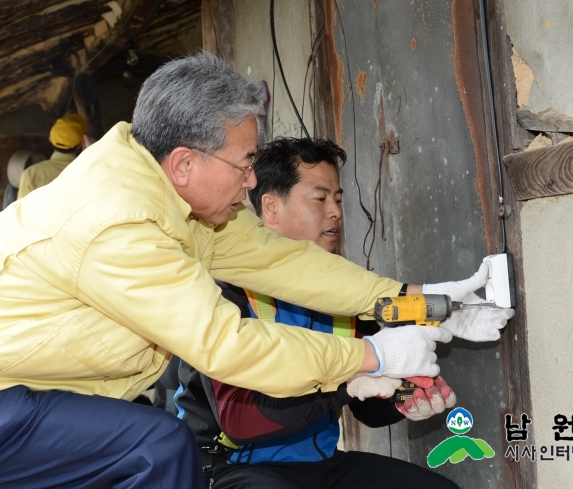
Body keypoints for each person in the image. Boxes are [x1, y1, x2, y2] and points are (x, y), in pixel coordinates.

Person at [0, 52, 511, 488]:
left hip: (8, 392)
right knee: (157, 447)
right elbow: (226, 346)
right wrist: (371, 360)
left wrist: (412, 301)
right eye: (243, 164)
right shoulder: (122, 222)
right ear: (185, 162)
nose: (249, 181)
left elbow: (279, 261)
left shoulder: (180, 197)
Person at [175, 138, 463, 488]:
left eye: (339, 200)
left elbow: (365, 410)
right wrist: (350, 379)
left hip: (323, 464)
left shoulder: (347, 292)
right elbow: (241, 419)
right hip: (234, 468)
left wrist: (403, 394)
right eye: (320, 198)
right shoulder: (226, 293)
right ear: (271, 209)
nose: (335, 212)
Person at [16, 113, 87, 199]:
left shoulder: (30, 175)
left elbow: (22, 211)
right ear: (80, 144)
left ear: (50, 139)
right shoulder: (89, 171)